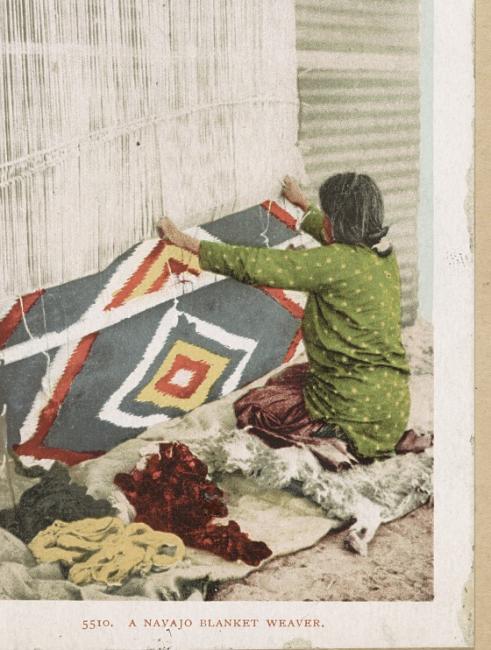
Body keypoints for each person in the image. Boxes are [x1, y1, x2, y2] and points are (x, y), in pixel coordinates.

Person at [157, 173, 432, 470]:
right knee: (288, 379)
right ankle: (377, 438)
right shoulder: (381, 255)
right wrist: (304, 205)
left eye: (327, 217)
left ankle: (340, 444)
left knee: (254, 408)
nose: (324, 222)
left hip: (354, 411)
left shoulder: (334, 263)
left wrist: (188, 243)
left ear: (338, 223)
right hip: (389, 406)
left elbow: (261, 266)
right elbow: (333, 235)